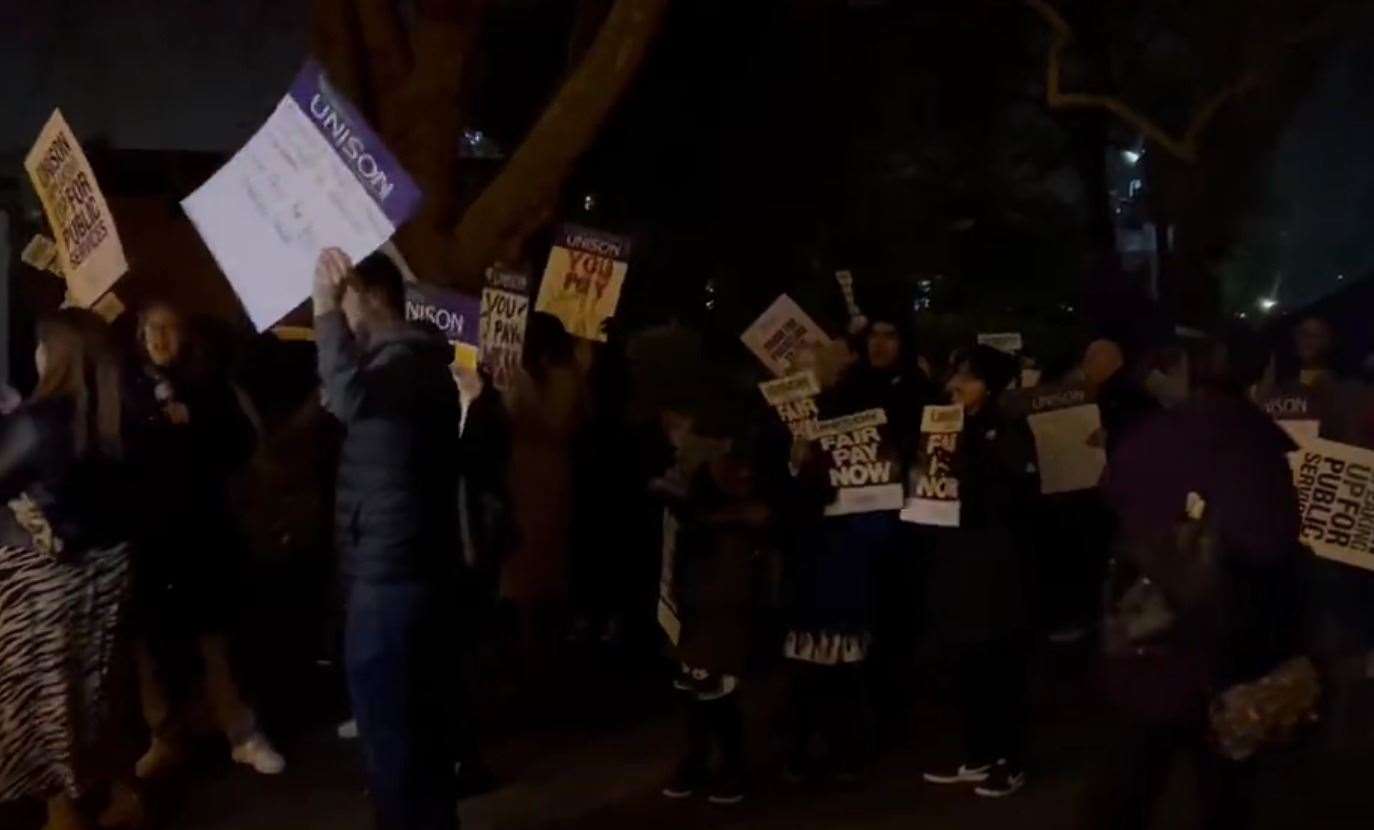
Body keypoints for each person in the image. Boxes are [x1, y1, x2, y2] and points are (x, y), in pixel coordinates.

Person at [1083, 325, 1304, 829]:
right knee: (1224, 792)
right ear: (1262, 373)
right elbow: (1266, 544)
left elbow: (1117, 499)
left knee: (1129, 783)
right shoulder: (1251, 442)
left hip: (1146, 637)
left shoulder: (1152, 434)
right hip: (1226, 651)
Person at [313, 247, 464, 830]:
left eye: (345, 301)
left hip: (390, 577)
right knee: (418, 734)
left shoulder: (402, 368)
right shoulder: (410, 366)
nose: (342, 317)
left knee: (393, 740)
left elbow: (352, 402)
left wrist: (325, 312)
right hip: (408, 570)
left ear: (369, 296)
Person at [126, 302, 284, 779]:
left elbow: (239, 446)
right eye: (151, 328)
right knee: (152, 644)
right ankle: (167, 735)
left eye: (170, 328)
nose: (160, 337)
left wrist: (193, 419)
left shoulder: (210, 386)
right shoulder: (129, 387)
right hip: (152, 536)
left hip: (204, 532)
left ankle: (241, 731)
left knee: (217, 640)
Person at [0, 309, 139, 830]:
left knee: (40, 714)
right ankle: (99, 801)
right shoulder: (120, 418)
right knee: (87, 704)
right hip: (100, 583)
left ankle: (64, 812)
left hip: (39, 595)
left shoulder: (35, 424)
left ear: (55, 353)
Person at [922, 345, 1038, 798]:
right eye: (954, 377)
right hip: (956, 559)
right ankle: (978, 752)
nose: (955, 387)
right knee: (965, 658)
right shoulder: (945, 428)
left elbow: (1015, 492)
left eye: (967, 379)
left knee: (999, 663)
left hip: (996, 563)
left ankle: (1011, 759)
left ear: (988, 385)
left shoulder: (1005, 430)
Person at [659, 424, 770, 805]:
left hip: (724, 604)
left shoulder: (746, 508)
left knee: (720, 688)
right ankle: (700, 758)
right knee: (693, 686)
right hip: (692, 602)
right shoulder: (690, 505)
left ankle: (730, 763)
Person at [503, 312, 585, 672]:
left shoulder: (516, 378)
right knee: (551, 557)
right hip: (557, 474)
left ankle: (524, 647)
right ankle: (548, 647)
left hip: (521, 474)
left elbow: (506, 417)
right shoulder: (572, 380)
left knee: (522, 562)